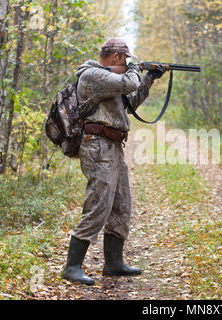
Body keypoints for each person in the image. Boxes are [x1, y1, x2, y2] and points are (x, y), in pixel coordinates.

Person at [62, 38, 166, 285]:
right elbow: (129, 83)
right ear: (116, 57)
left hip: (114, 145)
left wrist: (149, 78)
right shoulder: (92, 76)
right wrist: (136, 69)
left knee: (121, 205)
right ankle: (72, 266)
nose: (128, 62)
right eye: (125, 58)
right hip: (97, 145)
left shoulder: (113, 81)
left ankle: (114, 263)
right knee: (99, 203)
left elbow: (131, 103)